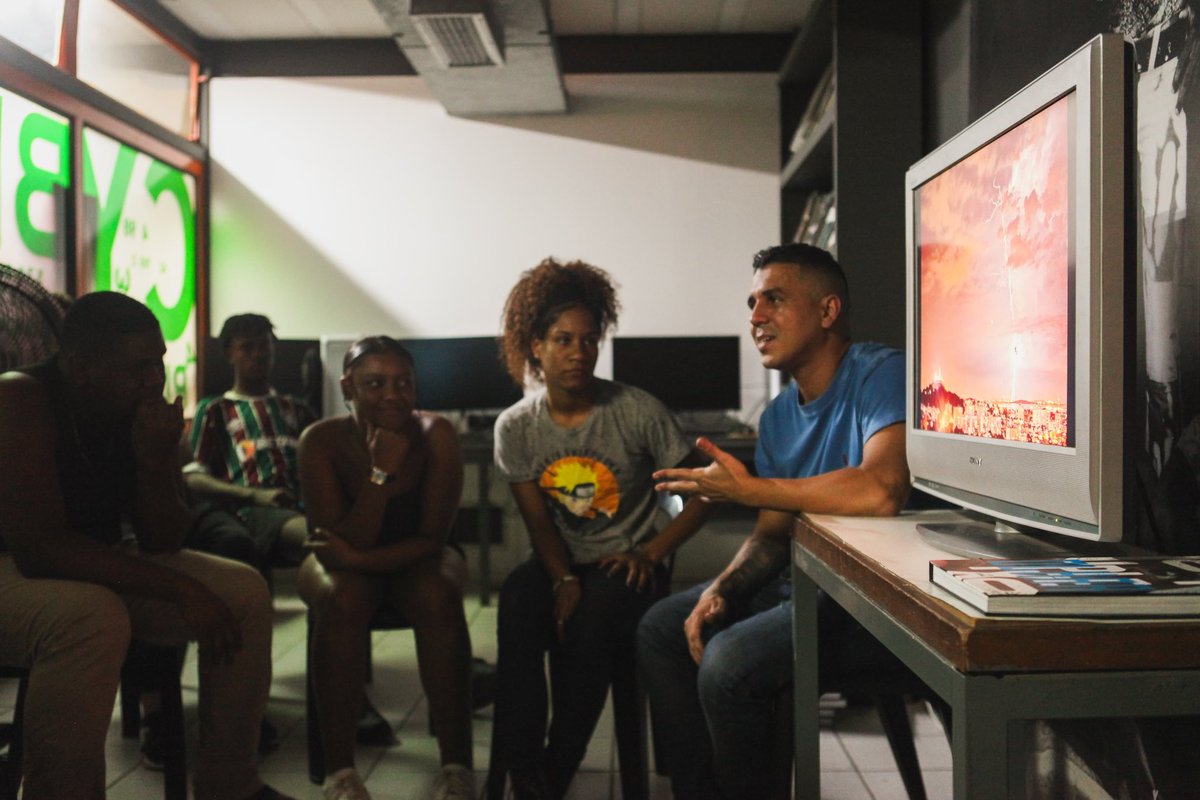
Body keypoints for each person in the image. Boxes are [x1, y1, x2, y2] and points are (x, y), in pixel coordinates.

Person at [638, 243, 910, 800]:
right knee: (664, 628)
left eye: (774, 300)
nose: (755, 317)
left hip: (872, 605)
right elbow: (769, 536)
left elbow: (882, 489)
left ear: (828, 312)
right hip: (804, 588)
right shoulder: (781, 414)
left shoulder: (882, 373)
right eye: (752, 302)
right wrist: (722, 588)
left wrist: (746, 488)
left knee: (727, 662)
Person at [0, 291, 293, 800]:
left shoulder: (134, 408)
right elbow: (38, 548)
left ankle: (230, 783)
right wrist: (179, 589)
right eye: (136, 367)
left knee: (241, 592)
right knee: (92, 616)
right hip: (13, 565)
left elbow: (161, 539)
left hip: (89, 560)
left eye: (158, 361)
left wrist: (157, 460)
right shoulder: (21, 398)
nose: (154, 379)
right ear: (80, 366)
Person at [491, 257, 710, 799]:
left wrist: (652, 551)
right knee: (518, 606)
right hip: (561, 561)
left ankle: (553, 774)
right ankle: (523, 770)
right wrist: (563, 579)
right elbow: (539, 523)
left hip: (626, 564)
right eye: (563, 340)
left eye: (589, 341)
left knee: (589, 627)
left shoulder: (636, 411)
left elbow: (703, 493)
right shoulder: (516, 427)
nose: (579, 353)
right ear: (535, 346)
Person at [297, 336, 475, 800]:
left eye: (403, 383)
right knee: (343, 596)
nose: (392, 395)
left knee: (438, 596)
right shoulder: (320, 441)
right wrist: (380, 474)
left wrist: (356, 558)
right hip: (343, 557)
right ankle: (341, 775)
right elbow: (336, 540)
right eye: (375, 384)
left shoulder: (436, 434)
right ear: (347, 387)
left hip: (418, 554)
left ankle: (456, 767)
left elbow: (430, 538)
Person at [186, 313, 314, 570]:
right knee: (318, 538)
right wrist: (254, 495)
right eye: (247, 347)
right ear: (229, 354)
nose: (258, 354)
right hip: (250, 510)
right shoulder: (215, 410)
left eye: (265, 345)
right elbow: (193, 477)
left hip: (305, 505)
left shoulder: (297, 409)